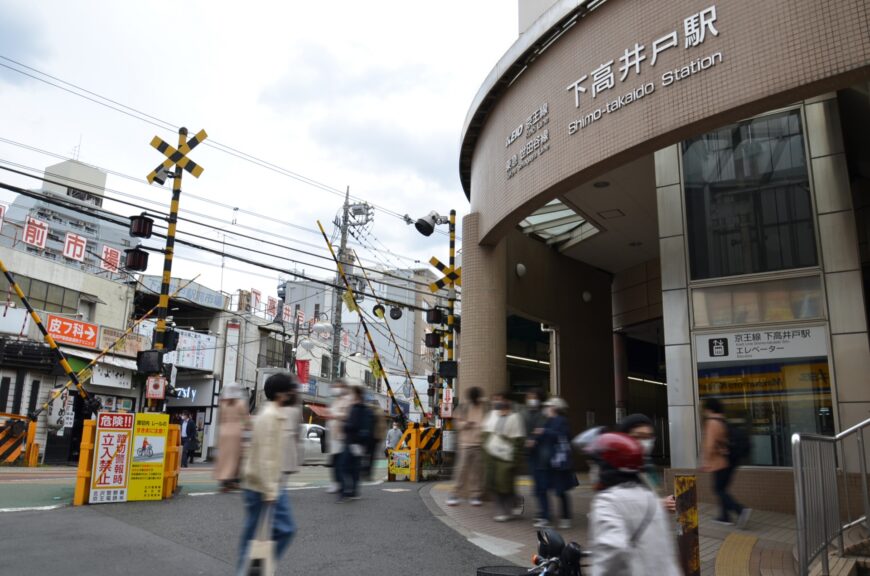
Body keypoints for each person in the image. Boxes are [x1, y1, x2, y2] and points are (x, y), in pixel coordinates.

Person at [587, 432, 681, 576]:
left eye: (595, 465)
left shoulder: (607, 501)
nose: (593, 471)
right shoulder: (650, 497)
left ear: (607, 466)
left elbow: (612, 549)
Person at [237, 373, 298, 576]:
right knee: (286, 528)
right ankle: (258, 567)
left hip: (258, 482)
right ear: (281, 394)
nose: (293, 393)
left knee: (252, 532)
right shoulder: (270, 416)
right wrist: (271, 491)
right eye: (290, 389)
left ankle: (252, 567)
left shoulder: (273, 413)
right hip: (264, 484)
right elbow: (266, 457)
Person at [701, 398, 751, 528]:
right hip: (727, 461)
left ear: (709, 409)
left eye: (705, 408)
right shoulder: (722, 420)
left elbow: (710, 444)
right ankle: (724, 517)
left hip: (718, 462)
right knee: (722, 489)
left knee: (718, 490)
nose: (704, 411)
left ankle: (740, 510)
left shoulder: (712, 422)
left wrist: (706, 460)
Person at [532, 397, 579, 529]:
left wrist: (544, 432)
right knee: (548, 488)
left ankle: (565, 517)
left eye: (548, 406)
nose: (546, 408)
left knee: (561, 490)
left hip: (558, 462)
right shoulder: (550, 420)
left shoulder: (561, 420)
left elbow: (562, 436)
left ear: (554, 408)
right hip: (550, 461)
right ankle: (547, 516)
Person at [617, 413, 676, 513]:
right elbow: (618, 506)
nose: (644, 442)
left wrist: (663, 503)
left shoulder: (645, 464)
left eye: (648, 437)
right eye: (638, 436)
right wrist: (659, 504)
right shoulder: (616, 468)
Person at [482, 393, 526, 522]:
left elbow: (518, 440)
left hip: (507, 456)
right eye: (495, 400)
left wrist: (515, 459)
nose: (497, 403)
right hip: (492, 455)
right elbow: (485, 435)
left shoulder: (515, 417)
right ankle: (506, 508)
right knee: (494, 484)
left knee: (504, 484)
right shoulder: (491, 415)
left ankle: (506, 509)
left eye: (500, 400)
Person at [447, 386, 487, 506]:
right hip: (465, 444)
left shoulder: (484, 407)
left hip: (479, 444)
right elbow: (456, 423)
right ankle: (454, 494)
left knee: (477, 471)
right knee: (461, 470)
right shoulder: (463, 407)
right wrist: (466, 424)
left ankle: (476, 495)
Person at [339, 382, 372, 501]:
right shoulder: (366, 410)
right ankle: (353, 491)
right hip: (359, 443)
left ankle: (346, 492)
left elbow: (351, 425)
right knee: (354, 468)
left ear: (357, 395)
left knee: (344, 467)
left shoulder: (355, 408)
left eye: (352, 394)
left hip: (352, 442)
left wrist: (345, 425)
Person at [215, 382, 250, 492]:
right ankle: (233, 480)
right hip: (235, 432)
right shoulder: (240, 403)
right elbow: (245, 420)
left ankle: (224, 481)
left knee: (224, 457)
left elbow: (219, 419)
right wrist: (248, 427)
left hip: (223, 431)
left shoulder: (223, 404)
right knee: (236, 458)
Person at [522, 388, 548, 520]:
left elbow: (541, 431)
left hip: (542, 454)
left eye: (533, 397)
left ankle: (544, 515)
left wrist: (533, 438)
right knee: (537, 484)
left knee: (541, 484)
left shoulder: (544, 413)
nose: (531, 400)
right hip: (531, 454)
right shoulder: (526, 413)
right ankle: (542, 512)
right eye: (529, 397)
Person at [325, 378, 352, 494]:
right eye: (334, 386)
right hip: (333, 435)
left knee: (340, 461)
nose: (336, 389)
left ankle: (342, 483)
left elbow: (348, 415)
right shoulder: (335, 400)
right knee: (334, 461)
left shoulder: (348, 400)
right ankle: (337, 483)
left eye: (338, 386)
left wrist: (335, 414)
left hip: (342, 435)